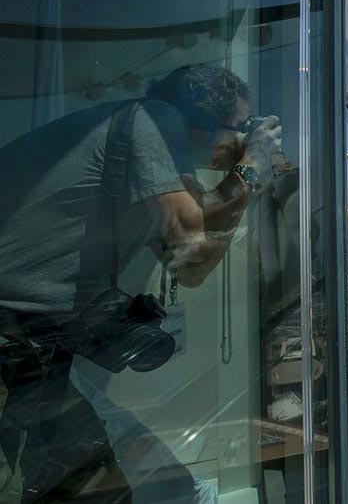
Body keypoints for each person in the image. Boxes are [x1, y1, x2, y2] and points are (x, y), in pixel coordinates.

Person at [0, 63, 283, 501]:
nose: (241, 136)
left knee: (95, 485)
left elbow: (194, 265)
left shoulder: (153, 171)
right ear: (204, 119)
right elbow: (191, 233)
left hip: (31, 342)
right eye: (239, 125)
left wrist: (248, 181)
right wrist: (248, 169)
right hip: (16, 338)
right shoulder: (155, 117)